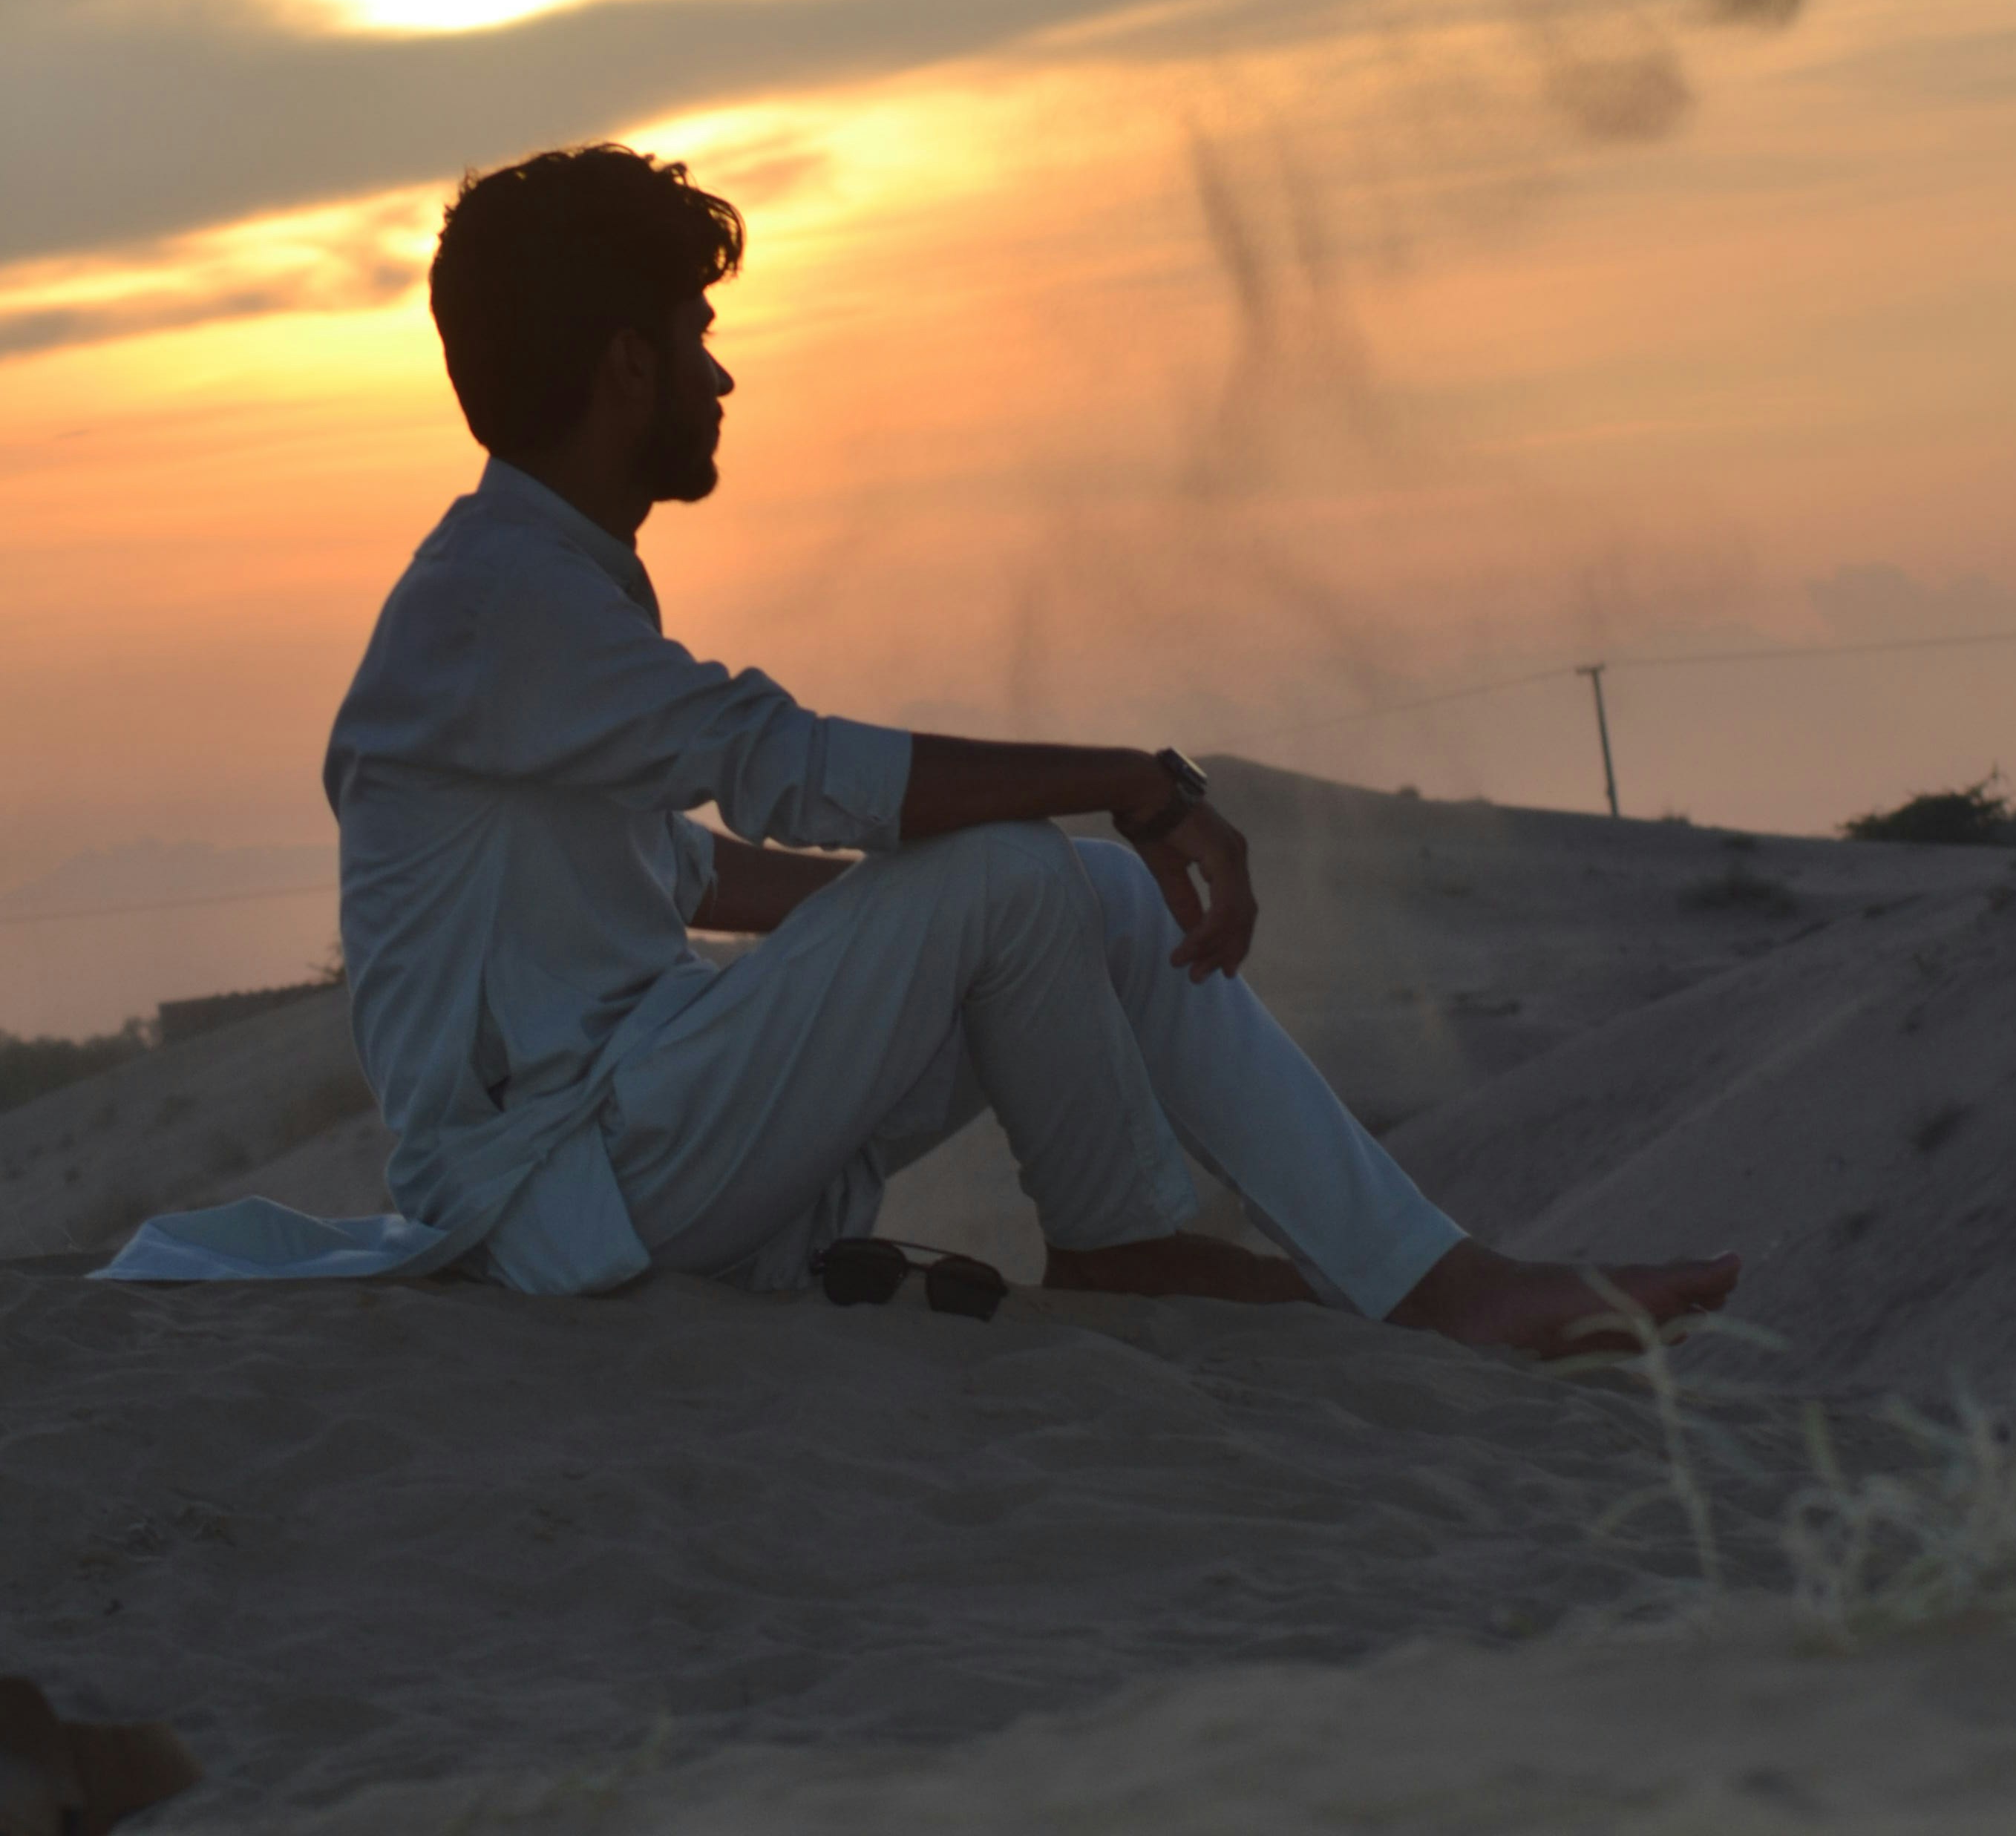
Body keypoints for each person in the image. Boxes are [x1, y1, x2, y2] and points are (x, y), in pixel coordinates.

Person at [206, 144, 1738, 1349]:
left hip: (650, 1134)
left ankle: (1396, 1273)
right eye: (697, 338)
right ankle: (1146, 1250)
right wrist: (1125, 784)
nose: (720, 377)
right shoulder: (500, 604)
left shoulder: (534, 592)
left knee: (1082, 894)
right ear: (625, 367)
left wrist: (959, 921)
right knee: (1014, 872)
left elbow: (693, 874)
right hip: (560, 1191)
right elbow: (789, 769)